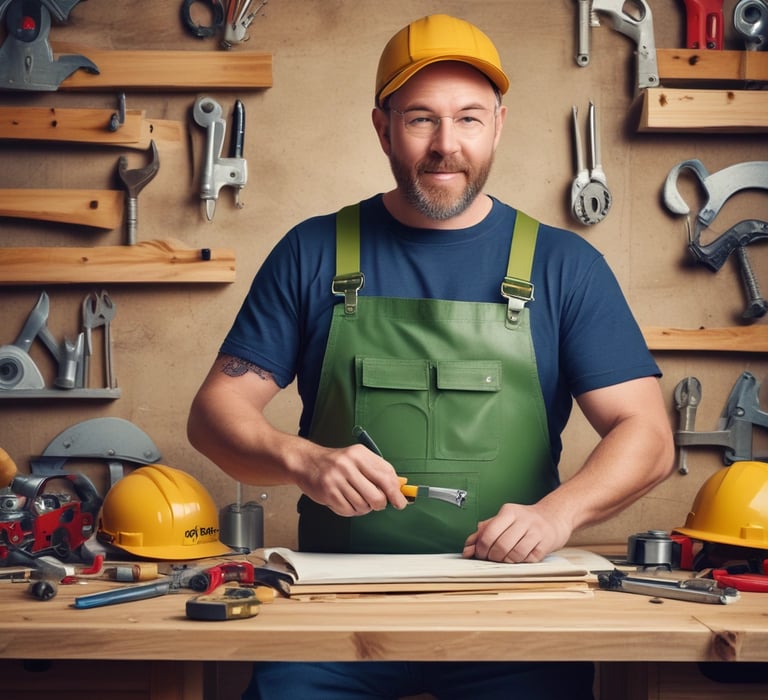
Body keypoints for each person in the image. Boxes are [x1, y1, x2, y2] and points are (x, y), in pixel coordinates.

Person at [188, 13, 675, 700]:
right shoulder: (313, 251)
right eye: (421, 119)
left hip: (515, 616)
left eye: (469, 119)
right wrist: (305, 459)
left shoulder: (566, 266)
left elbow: (649, 437)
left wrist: (556, 516)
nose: (446, 146)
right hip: (335, 615)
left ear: (498, 125)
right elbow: (214, 415)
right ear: (383, 126)